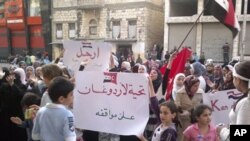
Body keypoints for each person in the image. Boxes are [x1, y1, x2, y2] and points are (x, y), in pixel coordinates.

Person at [32, 76, 76, 141]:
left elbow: (35, 136)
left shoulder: (41, 111)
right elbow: (70, 138)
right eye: (71, 94)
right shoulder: (68, 114)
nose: (73, 96)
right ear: (61, 99)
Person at [217, 61, 250, 141]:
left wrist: (222, 131)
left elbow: (241, 135)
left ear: (238, 80)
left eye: (233, 77)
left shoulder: (246, 103)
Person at [175, 75, 204, 141]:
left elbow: (205, 104)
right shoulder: (179, 93)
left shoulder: (200, 92)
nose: (197, 88)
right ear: (188, 85)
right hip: (184, 123)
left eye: (198, 85)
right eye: (195, 86)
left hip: (196, 122)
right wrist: (184, 112)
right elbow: (177, 108)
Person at [149, 77, 177, 141]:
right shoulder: (162, 122)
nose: (162, 115)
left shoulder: (169, 132)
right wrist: (150, 83)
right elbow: (154, 103)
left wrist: (142, 138)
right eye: (161, 112)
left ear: (173, 115)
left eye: (165, 113)